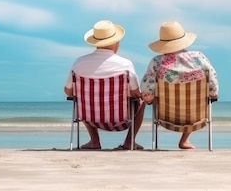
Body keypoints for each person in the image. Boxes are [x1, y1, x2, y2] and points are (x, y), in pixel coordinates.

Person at [64, 19, 145, 150]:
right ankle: (129, 142)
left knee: (80, 98)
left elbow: (68, 91)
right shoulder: (125, 64)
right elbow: (135, 92)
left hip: (90, 117)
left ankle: (94, 141)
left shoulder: (79, 63)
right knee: (141, 102)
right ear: (115, 43)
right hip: (121, 119)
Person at [140, 20, 219, 149]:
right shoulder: (199, 58)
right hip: (195, 115)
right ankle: (184, 140)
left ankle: (180, 142)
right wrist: (212, 95)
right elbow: (213, 81)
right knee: (195, 100)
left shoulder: (157, 62)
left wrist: (149, 99)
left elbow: (146, 90)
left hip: (166, 116)